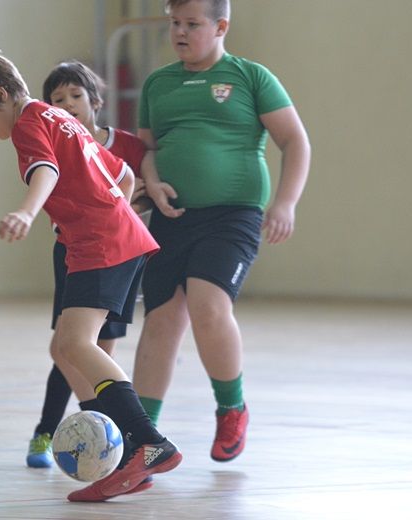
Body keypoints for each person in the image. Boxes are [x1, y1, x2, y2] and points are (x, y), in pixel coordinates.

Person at [0, 48, 182, 502]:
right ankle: (129, 447)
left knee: (74, 345)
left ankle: (147, 443)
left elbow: (46, 171)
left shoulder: (29, 124)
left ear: (0, 94)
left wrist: (28, 212)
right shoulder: (58, 117)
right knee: (66, 347)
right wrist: (111, 214)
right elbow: (124, 174)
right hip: (117, 238)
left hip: (102, 244)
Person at [133, 0, 311, 462]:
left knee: (207, 305)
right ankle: (144, 438)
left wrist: (285, 203)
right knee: (160, 321)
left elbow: (294, 140)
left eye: (193, 24)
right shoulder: (158, 84)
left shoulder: (251, 77)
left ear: (221, 26)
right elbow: (147, 150)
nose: (180, 32)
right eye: (174, 23)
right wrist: (151, 183)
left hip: (233, 216)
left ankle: (232, 409)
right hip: (173, 217)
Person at [25, 61, 154, 469]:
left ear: (96, 100)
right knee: (67, 347)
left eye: (75, 96)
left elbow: (135, 181)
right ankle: (49, 431)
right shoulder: (61, 142)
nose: (67, 104)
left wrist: (117, 210)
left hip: (111, 251)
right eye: (57, 100)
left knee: (92, 348)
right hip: (71, 250)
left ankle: (122, 437)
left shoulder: (123, 146)